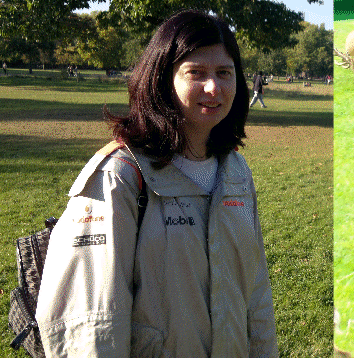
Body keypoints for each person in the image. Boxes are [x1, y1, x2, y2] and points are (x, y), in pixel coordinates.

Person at [35, 9, 277, 357]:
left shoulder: (236, 171)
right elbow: (90, 324)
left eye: (224, 72)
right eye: (196, 72)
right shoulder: (118, 176)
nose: (213, 87)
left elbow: (256, 293)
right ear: (162, 79)